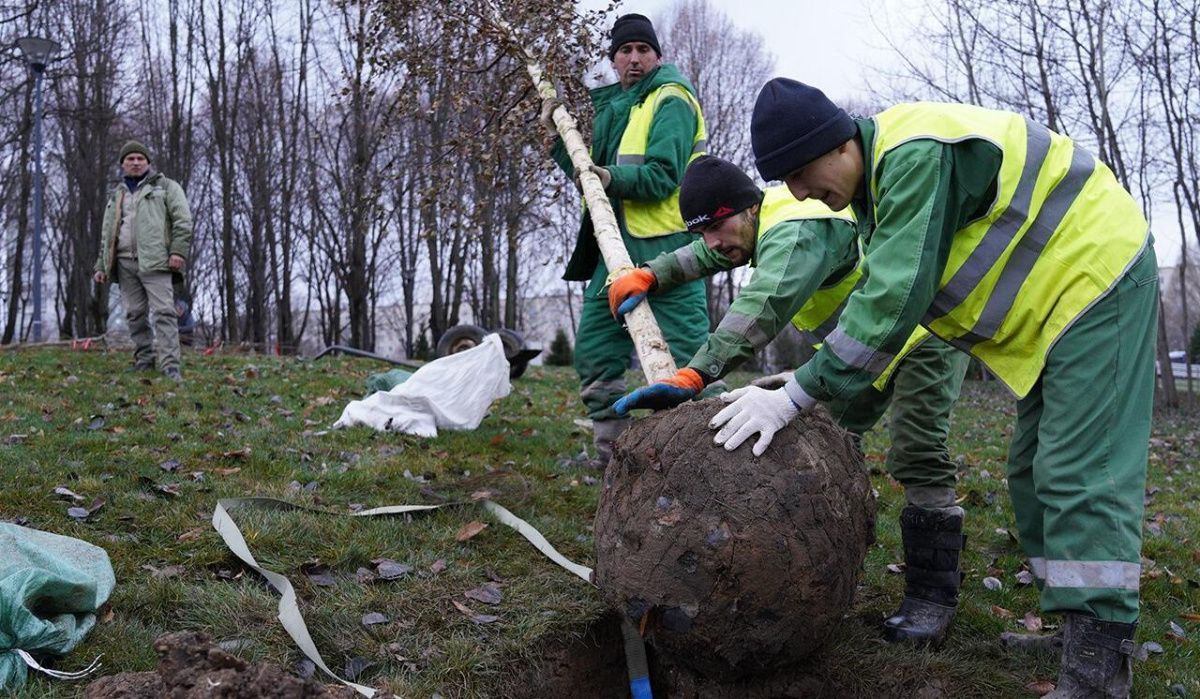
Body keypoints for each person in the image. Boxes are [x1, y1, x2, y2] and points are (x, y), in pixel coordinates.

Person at [722, 78, 1155, 696]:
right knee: (1031, 472)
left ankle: (1097, 671)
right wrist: (805, 380)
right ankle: (1076, 628)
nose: (797, 192)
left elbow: (892, 301)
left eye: (799, 172)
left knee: (1077, 472)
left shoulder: (914, 156)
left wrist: (796, 399)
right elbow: (887, 312)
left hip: (1097, 279)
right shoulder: (879, 195)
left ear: (838, 143)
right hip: (1056, 311)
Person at [608, 154, 970, 645]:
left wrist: (698, 372)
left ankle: (931, 597)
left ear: (749, 209)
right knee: (831, 446)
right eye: (702, 231)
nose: (712, 242)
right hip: (856, 354)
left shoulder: (798, 231)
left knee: (916, 450)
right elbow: (708, 254)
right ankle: (829, 557)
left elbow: (765, 303)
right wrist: (651, 274)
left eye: (716, 227)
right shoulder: (750, 227)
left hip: (921, 338)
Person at [540, 13, 711, 466]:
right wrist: (558, 137)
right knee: (595, 351)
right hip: (612, 252)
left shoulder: (671, 99)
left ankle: (705, 456)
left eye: (643, 50)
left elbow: (662, 175)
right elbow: (592, 176)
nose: (634, 58)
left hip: (667, 250)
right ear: (613, 60)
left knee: (690, 357)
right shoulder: (618, 108)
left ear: (657, 55)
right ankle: (611, 456)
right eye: (625, 51)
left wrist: (609, 177)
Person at [93, 141, 194, 382]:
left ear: (148, 162)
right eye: (130, 159)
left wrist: (178, 251)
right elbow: (107, 233)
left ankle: (170, 366)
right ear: (123, 164)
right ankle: (144, 361)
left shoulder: (167, 187)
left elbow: (183, 221)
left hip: (157, 261)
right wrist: (101, 265)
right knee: (135, 314)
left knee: (164, 313)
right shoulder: (116, 195)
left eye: (140, 158)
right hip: (124, 263)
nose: (136, 163)